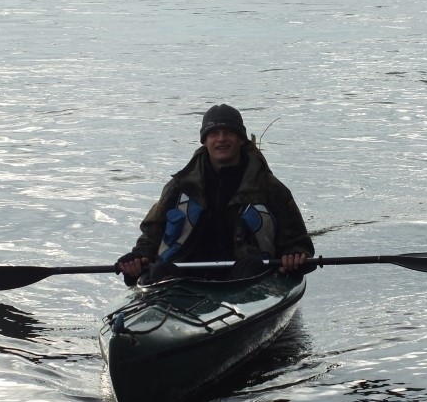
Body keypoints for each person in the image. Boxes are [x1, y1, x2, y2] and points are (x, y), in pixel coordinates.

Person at [117, 104, 314, 285]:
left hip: (246, 276)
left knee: (252, 267)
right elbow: (151, 235)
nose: (221, 139)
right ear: (204, 141)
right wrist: (139, 257)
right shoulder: (179, 186)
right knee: (160, 270)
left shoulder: (270, 188)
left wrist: (294, 255)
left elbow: (298, 242)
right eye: (214, 134)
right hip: (185, 275)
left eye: (228, 132)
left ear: (241, 139)